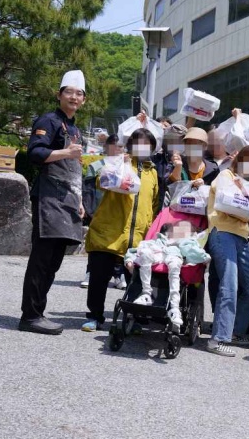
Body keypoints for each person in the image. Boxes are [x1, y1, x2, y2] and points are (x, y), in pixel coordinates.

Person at [18, 70, 87, 335]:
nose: (74, 97)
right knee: (41, 258)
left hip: (67, 199)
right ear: (59, 95)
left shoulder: (76, 129)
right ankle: (30, 315)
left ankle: (38, 312)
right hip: (48, 198)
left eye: (79, 93)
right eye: (69, 92)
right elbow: (34, 153)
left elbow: (74, 169)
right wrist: (66, 151)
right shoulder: (49, 120)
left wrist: (79, 200)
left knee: (55, 260)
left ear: (84, 99)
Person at [83, 128, 160, 331]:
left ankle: (133, 319)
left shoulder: (153, 172)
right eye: (138, 143)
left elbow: (153, 204)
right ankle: (95, 316)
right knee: (99, 277)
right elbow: (102, 182)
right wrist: (120, 165)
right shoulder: (118, 161)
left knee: (135, 281)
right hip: (109, 232)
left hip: (137, 238)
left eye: (147, 145)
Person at [205, 159, 249, 356]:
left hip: (243, 236)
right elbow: (225, 201)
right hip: (222, 232)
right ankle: (218, 339)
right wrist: (246, 205)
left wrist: (246, 203)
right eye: (246, 159)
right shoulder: (225, 175)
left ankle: (234, 331)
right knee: (229, 284)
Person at [124, 220, 210, 327]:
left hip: (174, 256)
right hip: (158, 253)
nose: (180, 230)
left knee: (174, 264)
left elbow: (194, 252)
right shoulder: (159, 240)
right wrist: (129, 259)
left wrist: (205, 257)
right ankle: (146, 294)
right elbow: (138, 249)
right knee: (145, 253)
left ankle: (174, 307)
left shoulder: (187, 243)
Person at [80, 134, 121, 289]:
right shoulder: (96, 166)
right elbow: (88, 191)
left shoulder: (126, 167)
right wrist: (90, 212)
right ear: (106, 147)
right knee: (96, 246)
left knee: (118, 245)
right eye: (114, 145)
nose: (117, 149)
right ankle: (90, 273)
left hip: (119, 212)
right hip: (99, 212)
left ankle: (118, 274)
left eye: (120, 146)